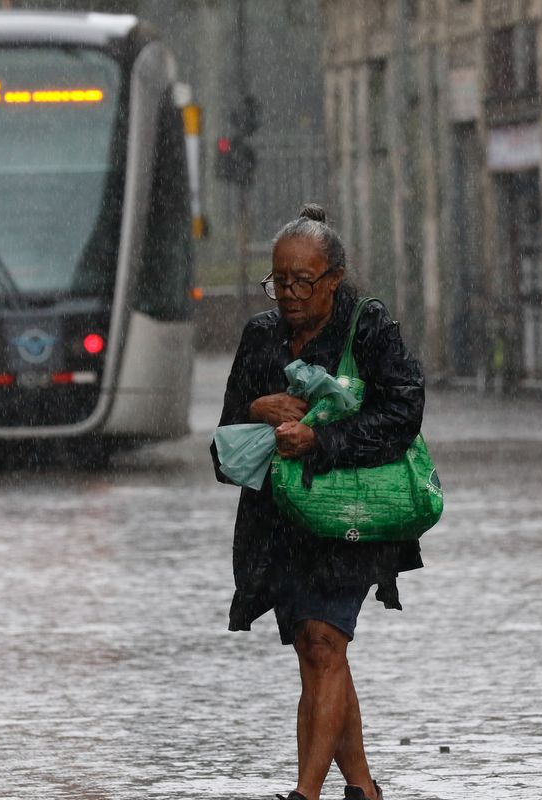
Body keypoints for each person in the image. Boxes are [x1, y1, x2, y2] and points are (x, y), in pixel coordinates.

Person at [213, 204, 423, 800]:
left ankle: (305, 794)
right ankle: (362, 788)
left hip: (351, 514)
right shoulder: (261, 335)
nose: (288, 294)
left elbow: (403, 412)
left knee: (326, 642)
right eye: (278, 281)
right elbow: (226, 429)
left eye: (303, 281)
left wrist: (322, 437)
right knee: (316, 649)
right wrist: (261, 408)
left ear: (335, 277)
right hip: (281, 519)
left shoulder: (368, 327)